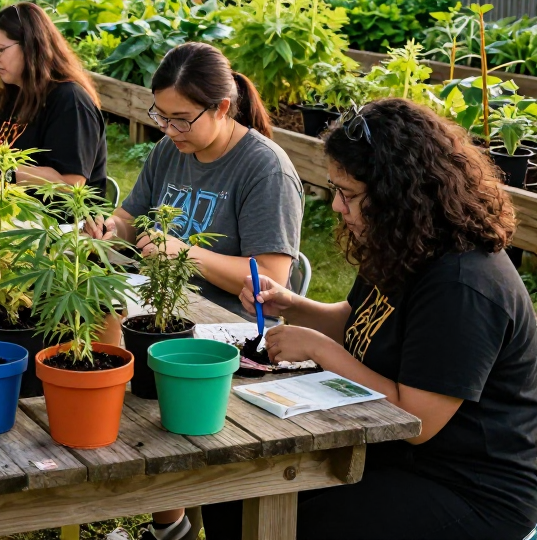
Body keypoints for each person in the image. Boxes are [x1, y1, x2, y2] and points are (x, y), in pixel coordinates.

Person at [199, 98, 537, 540]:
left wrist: (320, 349)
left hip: (470, 487)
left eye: (350, 195)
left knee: (307, 524)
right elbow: (360, 321)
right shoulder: (406, 241)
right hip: (393, 453)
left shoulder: (462, 285)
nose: (338, 207)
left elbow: (415, 420)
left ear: (399, 194)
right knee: (235, 486)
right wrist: (293, 305)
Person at [86, 42, 303, 540]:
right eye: (160, 116)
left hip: (228, 329)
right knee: (91, 336)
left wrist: (183, 252)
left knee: (129, 370)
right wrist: (106, 226)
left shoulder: (264, 167)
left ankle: (167, 514)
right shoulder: (170, 150)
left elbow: (271, 279)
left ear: (222, 107)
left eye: (180, 119)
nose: (168, 130)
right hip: (158, 306)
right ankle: (165, 514)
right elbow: (128, 218)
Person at [0, 2, 107, 194]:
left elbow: (70, 182)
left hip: (58, 220)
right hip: (6, 210)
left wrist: (3, 171)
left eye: (0, 49)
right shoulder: (10, 94)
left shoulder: (70, 100)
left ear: (31, 46)